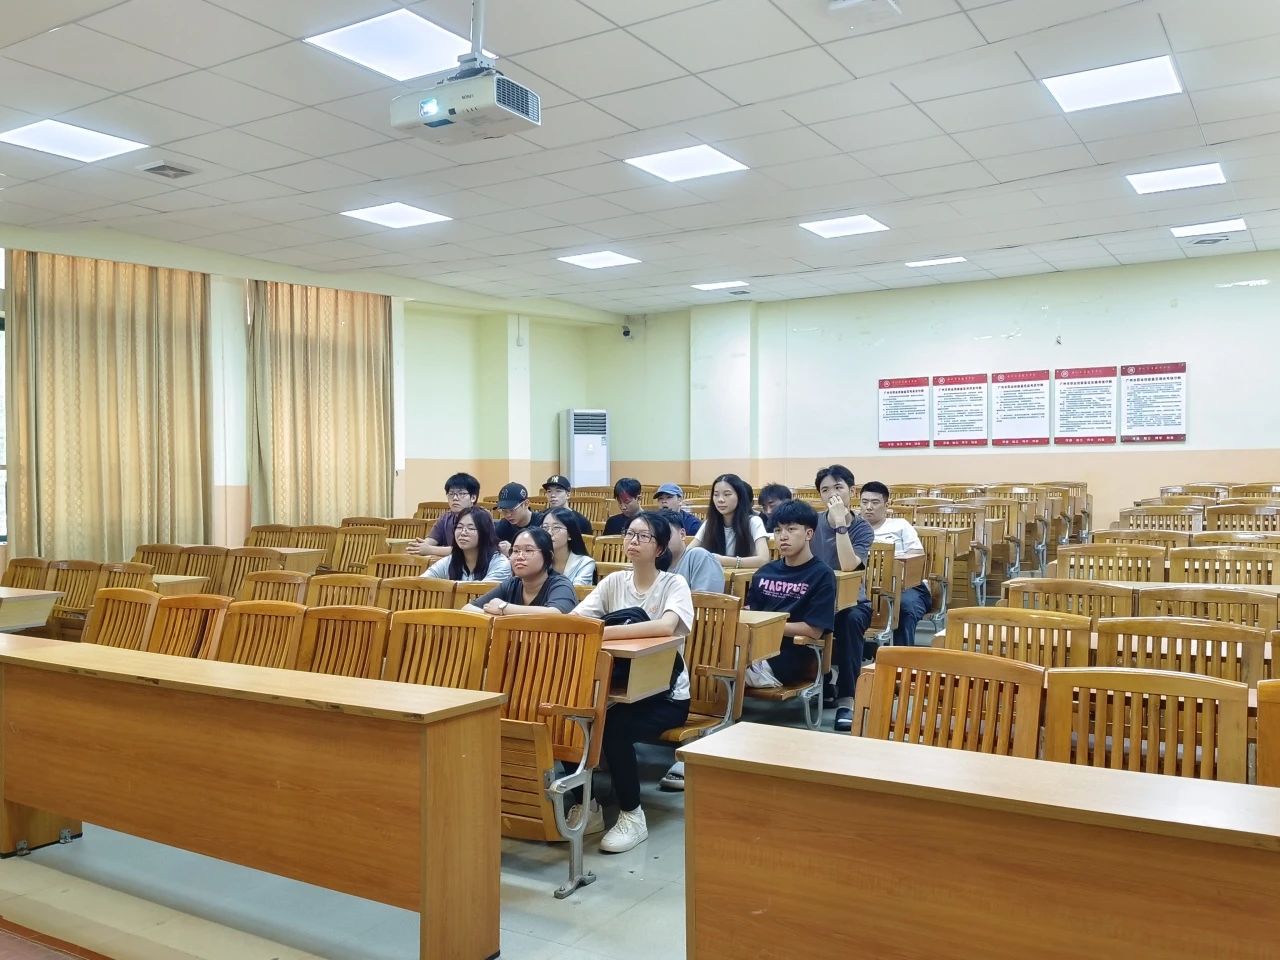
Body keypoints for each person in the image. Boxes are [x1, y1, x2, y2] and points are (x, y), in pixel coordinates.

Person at [571, 512, 694, 853]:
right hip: (617, 689)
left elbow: (666, 626)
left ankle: (632, 815)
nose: (633, 541)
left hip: (666, 696)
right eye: (630, 534)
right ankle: (588, 805)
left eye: (643, 536)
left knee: (615, 728)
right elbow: (576, 620)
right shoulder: (613, 582)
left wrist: (605, 632)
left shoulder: (673, 585)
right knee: (572, 718)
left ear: (660, 548)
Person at [654, 507, 725, 792]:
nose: (658, 539)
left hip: (699, 638)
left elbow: (707, 610)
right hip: (665, 641)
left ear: (683, 534)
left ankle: (693, 742)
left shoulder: (697, 557)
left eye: (664, 533)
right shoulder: (652, 565)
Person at [741, 499, 837, 699]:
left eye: (791, 529)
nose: (783, 536)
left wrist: (766, 626)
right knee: (705, 656)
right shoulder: (765, 572)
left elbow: (814, 630)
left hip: (790, 658)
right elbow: (750, 614)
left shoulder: (822, 575)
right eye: (777, 530)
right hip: (755, 650)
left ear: (809, 534)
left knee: (720, 668)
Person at [811, 464, 875, 733]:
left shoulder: (862, 528)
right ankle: (823, 681)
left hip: (852, 602)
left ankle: (847, 699)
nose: (832, 495)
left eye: (838, 488)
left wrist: (840, 524)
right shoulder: (811, 524)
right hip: (816, 600)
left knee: (849, 621)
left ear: (852, 491)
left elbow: (849, 566)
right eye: (825, 490)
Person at [859, 481, 932, 648]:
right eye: (864, 502)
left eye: (875, 502)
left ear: (886, 505)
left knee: (905, 607)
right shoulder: (854, 529)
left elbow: (916, 556)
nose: (869, 507)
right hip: (863, 585)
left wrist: (890, 566)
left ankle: (901, 658)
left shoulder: (900, 525)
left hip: (905, 586)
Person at [462, 528, 577, 617]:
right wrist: (498, 616)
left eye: (528, 550)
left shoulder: (560, 584)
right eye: (516, 551)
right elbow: (467, 609)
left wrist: (504, 608)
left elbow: (556, 614)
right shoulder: (512, 584)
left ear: (549, 556)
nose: (520, 557)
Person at [690, 474, 770, 569]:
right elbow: (688, 554)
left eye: (727, 494)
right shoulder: (709, 523)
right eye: (716, 495)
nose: (720, 500)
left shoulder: (753, 522)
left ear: (739, 496)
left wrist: (724, 560)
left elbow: (764, 560)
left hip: (745, 577)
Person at [421, 507, 511, 582]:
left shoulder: (499, 564)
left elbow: (481, 594)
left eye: (471, 528)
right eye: (459, 527)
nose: (463, 533)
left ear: (485, 533)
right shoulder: (449, 561)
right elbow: (420, 582)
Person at [408, 472, 484, 558]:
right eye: (451, 494)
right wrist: (420, 547)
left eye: (461, 494)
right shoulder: (445, 518)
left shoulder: (482, 517)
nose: (455, 498)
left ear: (473, 498)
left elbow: (467, 550)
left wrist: (430, 550)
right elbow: (431, 540)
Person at [656, 508, 724, 594]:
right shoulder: (655, 563)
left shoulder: (698, 557)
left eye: (666, 534)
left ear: (682, 534)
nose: (661, 540)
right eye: (656, 536)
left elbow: (707, 600)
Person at [542, 507, 596, 586]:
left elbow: (576, 591)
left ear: (570, 534)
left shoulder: (584, 563)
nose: (549, 533)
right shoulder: (538, 560)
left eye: (556, 527)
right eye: (545, 528)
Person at [493, 482, 544, 556]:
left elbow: (544, 555)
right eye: (503, 511)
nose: (508, 515)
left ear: (526, 504)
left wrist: (513, 551)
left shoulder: (542, 523)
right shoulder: (504, 524)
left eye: (512, 510)